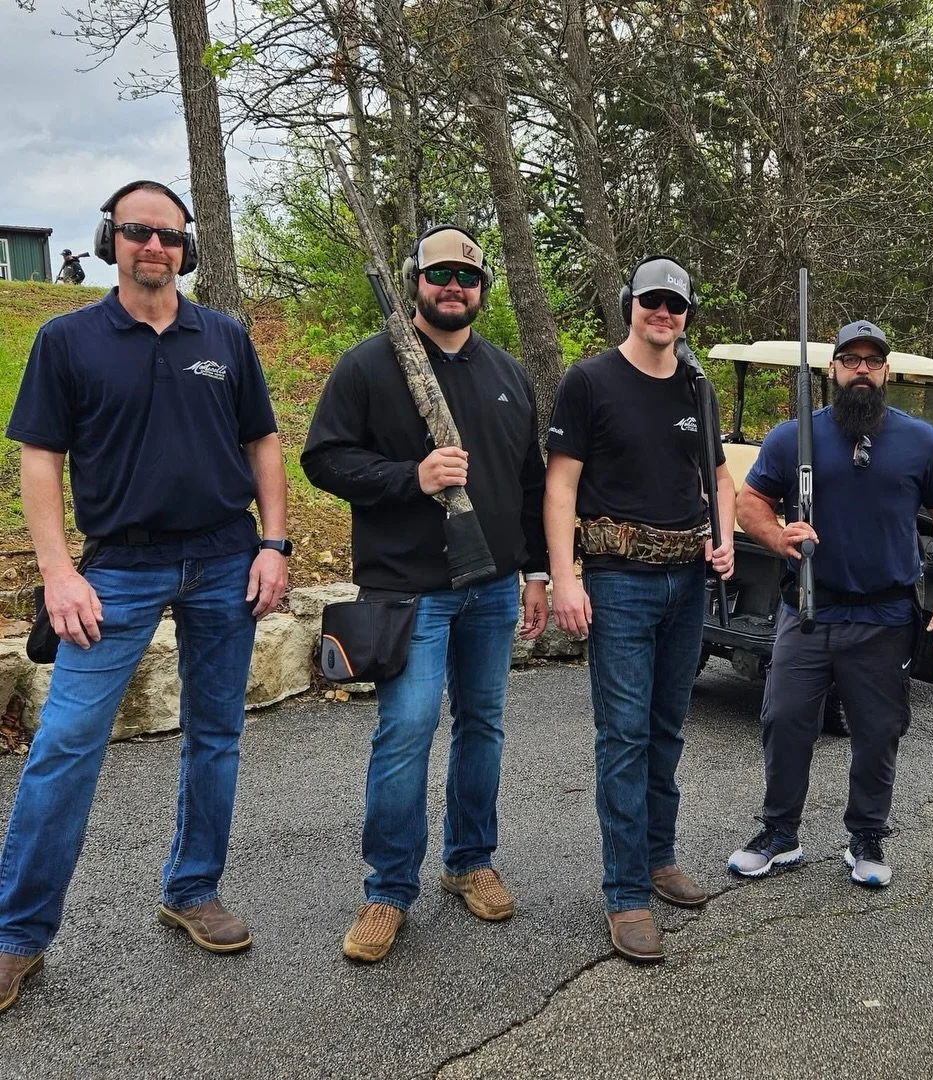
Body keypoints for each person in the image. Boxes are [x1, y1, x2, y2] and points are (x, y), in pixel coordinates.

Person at [0, 180, 288, 1014]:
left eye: (167, 235)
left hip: (224, 560)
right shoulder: (68, 339)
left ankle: (192, 889)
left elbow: (263, 442)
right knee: (64, 746)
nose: (152, 247)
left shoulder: (224, 337)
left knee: (216, 737)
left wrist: (273, 544)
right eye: (136, 232)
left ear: (186, 247)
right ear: (110, 240)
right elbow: (41, 461)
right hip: (117, 570)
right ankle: (18, 935)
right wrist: (60, 572)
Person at [302, 225, 550, 964]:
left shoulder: (507, 373)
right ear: (417, 280)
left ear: (482, 291)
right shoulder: (369, 366)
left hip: (493, 588)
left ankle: (470, 860)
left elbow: (531, 486)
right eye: (440, 273)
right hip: (407, 592)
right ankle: (387, 890)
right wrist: (408, 477)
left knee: (483, 727)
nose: (453, 286)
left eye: (467, 277)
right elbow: (324, 458)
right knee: (406, 733)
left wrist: (534, 570)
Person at [544, 255, 734, 963]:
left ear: (687, 313)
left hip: (689, 581)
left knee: (666, 729)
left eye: (675, 305)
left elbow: (716, 474)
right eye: (651, 300)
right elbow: (561, 487)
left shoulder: (696, 384)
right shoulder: (590, 382)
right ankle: (625, 894)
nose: (663, 313)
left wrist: (726, 540)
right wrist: (566, 576)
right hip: (618, 580)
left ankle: (660, 857)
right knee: (622, 736)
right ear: (630, 303)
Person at [726, 321, 933, 888]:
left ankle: (866, 836)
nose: (861, 369)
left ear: (886, 372)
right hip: (807, 609)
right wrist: (779, 536)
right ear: (831, 370)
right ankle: (780, 834)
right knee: (784, 719)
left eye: (871, 360)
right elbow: (749, 501)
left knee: (878, 730)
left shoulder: (921, 441)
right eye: (850, 360)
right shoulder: (792, 437)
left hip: (884, 616)